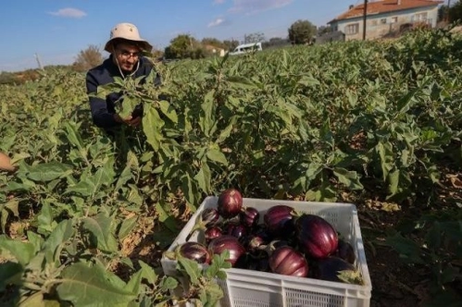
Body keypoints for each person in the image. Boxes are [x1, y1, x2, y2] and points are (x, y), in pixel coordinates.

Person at [85, 22, 160, 134]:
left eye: (135, 54)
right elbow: (98, 116)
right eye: (125, 53)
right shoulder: (96, 75)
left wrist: (143, 114)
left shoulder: (146, 67)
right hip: (116, 135)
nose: (131, 60)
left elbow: (161, 96)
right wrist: (117, 118)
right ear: (113, 49)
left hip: (146, 130)